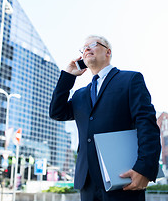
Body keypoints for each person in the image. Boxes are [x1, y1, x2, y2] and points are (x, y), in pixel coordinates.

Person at [49, 35, 161, 201]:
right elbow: (56, 112)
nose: (86, 49)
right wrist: (68, 76)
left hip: (123, 177)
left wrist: (144, 168)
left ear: (108, 52)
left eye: (92, 45)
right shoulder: (80, 95)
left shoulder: (130, 79)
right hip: (87, 181)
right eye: (83, 48)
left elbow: (147, 124)